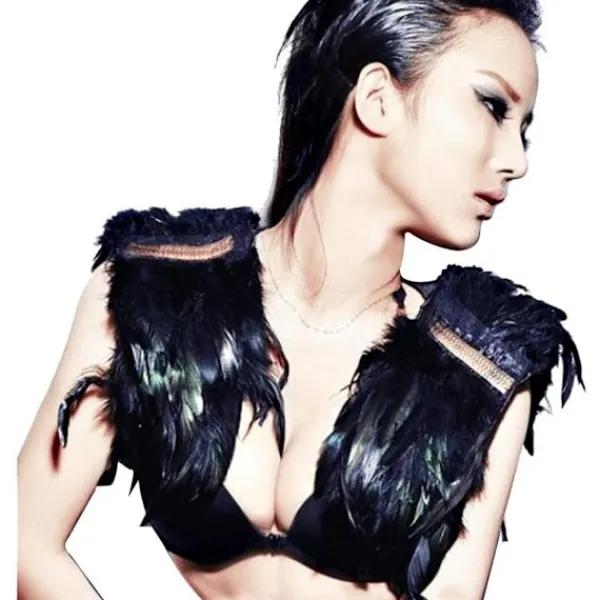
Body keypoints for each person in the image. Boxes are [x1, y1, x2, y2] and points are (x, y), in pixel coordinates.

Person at [17, 1, 585, 599]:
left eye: (523, 130)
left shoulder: (478, 362)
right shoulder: (153, 290)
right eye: (492, 107)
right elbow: (24, 540)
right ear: (378, 98)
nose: (517, 161)